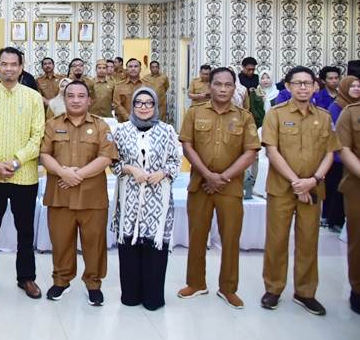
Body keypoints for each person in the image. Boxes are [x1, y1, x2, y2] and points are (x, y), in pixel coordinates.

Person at [260, 66, 340, 316]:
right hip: (282, 189)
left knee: (308, 241)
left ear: (316, 86)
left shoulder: (325, 117)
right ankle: (273, 288)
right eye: (298, 83)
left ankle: (305, 292)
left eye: (308, 83)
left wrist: (313, 180)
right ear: (288, 86)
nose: (303, 87)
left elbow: (330, 152)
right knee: (277, 240)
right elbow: (272, 151)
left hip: (313, 189)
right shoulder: (276, 114)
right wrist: (297, 182)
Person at [177, 67, 259, 308]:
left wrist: (222, 177)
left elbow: (251, 152)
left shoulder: (244, 116)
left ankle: (228, 288)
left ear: (235, 88)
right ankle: (196, 283)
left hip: (230, 188)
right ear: (209, 86)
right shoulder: (194, 112)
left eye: (228, 85)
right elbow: (187, 147)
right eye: (218, 84)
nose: (223, 89)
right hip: (199, 185)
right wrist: (207, 175)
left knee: (231, 238)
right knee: (197, 235)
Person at [0, 47, 45, 299]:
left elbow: (37, 137)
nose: (8, 69)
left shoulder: (33, 98)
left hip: (24, 176)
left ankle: (26, 278)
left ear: (21, 66)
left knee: (25, 230)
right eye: (4, 64)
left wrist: (15, 162)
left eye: (13, 64)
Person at [39, 81, 118, 303]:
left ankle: (93, 283)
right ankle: (61, 281)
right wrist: (62, 173)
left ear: (89, 100)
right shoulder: (52, 125)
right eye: (70, 95)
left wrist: (77, 175)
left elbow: (105, 158)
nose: (75, 100)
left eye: (81, 96)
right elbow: (44, 154)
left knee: (94, 243)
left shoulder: (101, 126)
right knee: (61, 241)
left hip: (92, 196)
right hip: (60, 195)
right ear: (64, 99)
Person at [111, 87, 181, 310]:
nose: (143, 107)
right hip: (130, 197)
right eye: (138, 103)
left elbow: (175, 162)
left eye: (148, 103)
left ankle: (153, 295)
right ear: (132, 106)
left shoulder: (167, 130)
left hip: (157, 199)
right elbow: (113, 163)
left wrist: (162, 173)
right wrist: (131, 169)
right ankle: (130, 293)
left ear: (155, 106)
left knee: (154, 248)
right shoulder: (121, 130)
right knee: (129, 247)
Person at [324, 76, 360, 232]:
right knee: (336, 191)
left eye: (359, 86)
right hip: (339, 157)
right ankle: (333, 220)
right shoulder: (337, 106)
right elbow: (336, 135)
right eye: (352, 86)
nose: (356, 89)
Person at [335, 96, 360, 314]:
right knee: (358, 240)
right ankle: (358, 289)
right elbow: (343, 148)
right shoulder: (351, 112)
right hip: (357, 184)